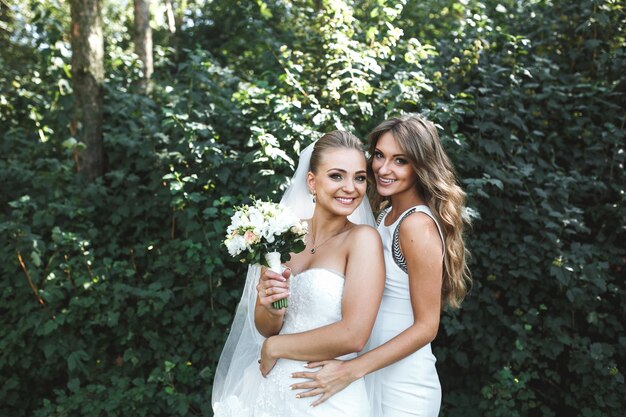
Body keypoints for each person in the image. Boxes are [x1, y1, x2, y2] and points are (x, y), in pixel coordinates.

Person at [290, 114, 472, 417]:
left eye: (400, 160)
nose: (383, 169)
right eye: (379, 155)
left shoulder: (416, 224)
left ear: (420, 166)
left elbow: (427, 327)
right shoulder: (384, 214)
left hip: (401, 385)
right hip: (367, 371)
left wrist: (351, 369)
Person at [211, 130, 386, 417]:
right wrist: (271, 308)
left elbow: (354, 335)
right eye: (336, 176)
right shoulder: (283, 235)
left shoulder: (362, 239)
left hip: (324, 394)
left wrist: (275, 347)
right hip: (268, 390)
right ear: (311, 182)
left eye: (359, 177)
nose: (351, 187)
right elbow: (265, 326)